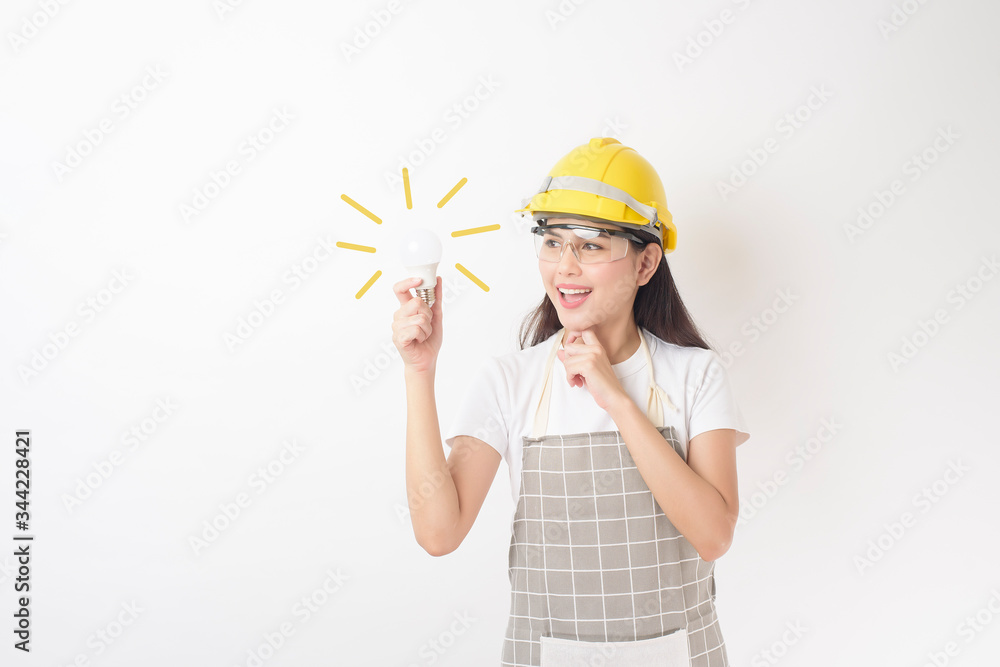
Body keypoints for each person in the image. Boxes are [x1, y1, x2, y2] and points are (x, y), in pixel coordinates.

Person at [391, 137, 750, 666]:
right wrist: (419, 372)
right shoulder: (510, 380)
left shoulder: (695, 375)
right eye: (553, 242)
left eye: (590, 245)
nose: (564, 267)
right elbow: (438, 533)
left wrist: (619, 401)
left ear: (646, 263)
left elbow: (714, 535)